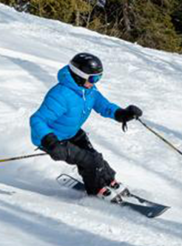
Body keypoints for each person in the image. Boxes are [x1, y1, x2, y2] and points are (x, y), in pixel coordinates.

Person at [29, 52, 142, 199]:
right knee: (90, 161)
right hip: (53, 139)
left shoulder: (89, 90)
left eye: (99, 77)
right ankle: (96, 191)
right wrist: (51, 142)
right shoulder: (60, 95)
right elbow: (37, 120)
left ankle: (109, 181)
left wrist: (121, 114)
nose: (95, 82)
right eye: (93, 78)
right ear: (78, 75)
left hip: (72, 132)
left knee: (95, 157)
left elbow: (104, 106)